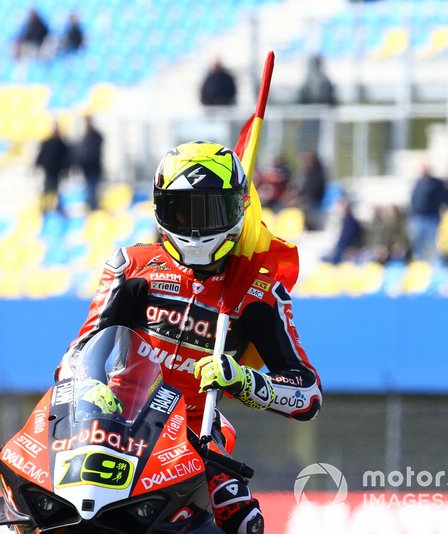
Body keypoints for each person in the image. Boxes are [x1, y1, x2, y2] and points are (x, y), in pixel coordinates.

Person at [56, 141, 322, 534]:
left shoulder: (258, 290)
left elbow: (308, 393)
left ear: (236, 209)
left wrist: (246, 381)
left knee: (242, 518)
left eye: (210, 209)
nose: (196, 226)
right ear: (162, 209)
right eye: (183, 209)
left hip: (196, 438)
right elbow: (79, 350)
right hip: (115, 422)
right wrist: (90, 384)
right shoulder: (132, 266)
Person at [408, 164, 448, 261]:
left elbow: (442, 198)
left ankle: (434, 264)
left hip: (431, 217)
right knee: (418, 243)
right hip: (418, 217)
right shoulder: (417, 183)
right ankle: (420, 262)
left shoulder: (435, 183)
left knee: (432, 243)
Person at [35, 122, 70, 212]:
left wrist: (65, 170)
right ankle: (45, 208)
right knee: (47, 191)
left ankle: (56, 209)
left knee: (56, 192)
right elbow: (41, 156)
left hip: (57, 173)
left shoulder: (62, 144)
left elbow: (66, 159)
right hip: (48, 172)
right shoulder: (47, 143)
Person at [74, 116, 104, 211]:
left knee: (92, 191)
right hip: (87, 169)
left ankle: (93, 211)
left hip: (93, 169)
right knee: (89, 191)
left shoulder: (94, 137)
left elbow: (91, 154)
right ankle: (92, 210)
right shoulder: (86, 137)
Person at [296, 151, 328, 230]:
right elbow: (302, 188)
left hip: (313, 199)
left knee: (304, 206)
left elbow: (314, 189)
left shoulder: (318, 173)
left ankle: (308, 227)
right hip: (306, 197)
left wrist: (300, 198)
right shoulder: (307, 172)